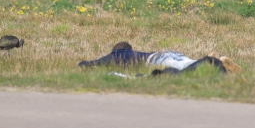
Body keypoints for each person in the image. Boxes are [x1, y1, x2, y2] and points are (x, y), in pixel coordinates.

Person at [78, 41, 241, 76]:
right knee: (185, 62)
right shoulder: (136, 53)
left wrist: (82, 63)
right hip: (166, 53)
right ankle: (218, 59)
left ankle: (210, 60)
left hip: (156, 61)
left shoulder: (116, 55)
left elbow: (87, 65)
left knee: (183, 70)